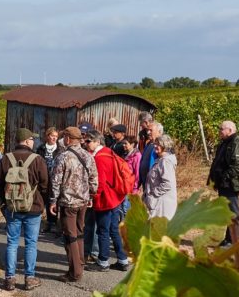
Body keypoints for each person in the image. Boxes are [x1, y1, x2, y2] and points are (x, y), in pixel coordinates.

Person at [0, 128, 49, 291]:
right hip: (33, 207)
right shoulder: (37, 159)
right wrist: (42, 202)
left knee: (12, 242)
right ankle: (29, 278)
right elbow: (46, 184)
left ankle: (9, 278)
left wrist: (5, 202)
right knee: (31, 243)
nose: (34, 142)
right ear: (26, 141)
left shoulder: (6, 159)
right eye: (32, 139)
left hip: (12, 207)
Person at [49, 127, 98, 282]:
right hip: (83, 201)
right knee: (79, 233)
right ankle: (80, 264)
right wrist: (90, 195)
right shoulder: (88, 156)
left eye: (64, 137)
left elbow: (55, 182)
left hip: (68, 203)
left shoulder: (62, 157)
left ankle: (75, 272)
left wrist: (52, 201)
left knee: (70, 236)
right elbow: (94, 179)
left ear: (68, 139)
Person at [84, 130, 129, 272]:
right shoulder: (108, 152)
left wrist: (93, 198)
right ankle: (122, 260)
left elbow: (100, 183)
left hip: (105, 199)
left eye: (88, 141)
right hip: (115, 198)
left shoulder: (100, 158)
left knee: (103, 231)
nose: (86, 144)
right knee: (113, 230)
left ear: (97, 141)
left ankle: (103, 261)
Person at [208, 120, 239, 248]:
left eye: (221, 129)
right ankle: (228, 239)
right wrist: (214, 180)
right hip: (223, 184)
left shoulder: (236, 143)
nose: (219, 131)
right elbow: (218, 163)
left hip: (231, 184)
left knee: (233, 213)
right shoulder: (225, 143)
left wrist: (224, 177)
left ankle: (233, 242)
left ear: (230, 130)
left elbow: (238, 165)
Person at [35, 127, 63, 235]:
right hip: (44, 177)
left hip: (55, 178)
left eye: (56, 136)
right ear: (47, 136)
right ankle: (48, 222)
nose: (54, 138)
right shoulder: (41, 148)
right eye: (52, 136)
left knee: (55, 200)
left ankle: (56, 223)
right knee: (45, 199)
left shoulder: (59, 149)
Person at [144, 135, 178, 220]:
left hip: (162, 203)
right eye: (155, 144)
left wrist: (153, 193)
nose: (155, 146)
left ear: (165, 146)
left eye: (158, 144)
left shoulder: (165, 162)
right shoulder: (160, 160)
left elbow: (168, 183)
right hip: (157, 201)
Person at [138, 120, 164, 191]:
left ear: (159, 132)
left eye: (151, 130)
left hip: (154, 185)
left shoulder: (162, 146)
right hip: (145, 184)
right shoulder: (148, 144)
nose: (148, 132)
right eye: (147, 130)